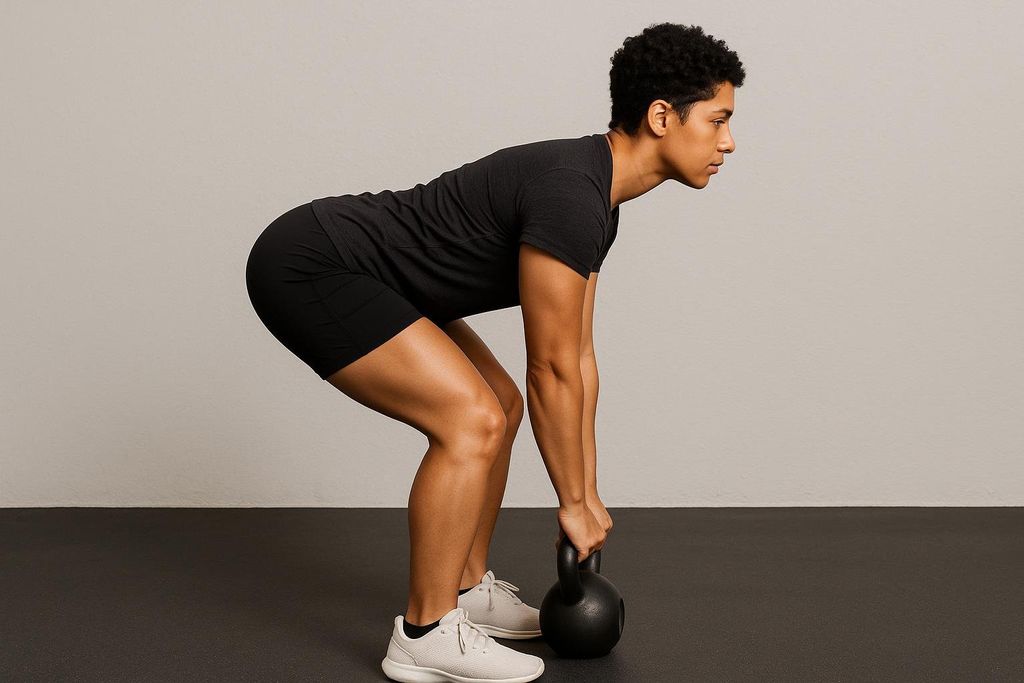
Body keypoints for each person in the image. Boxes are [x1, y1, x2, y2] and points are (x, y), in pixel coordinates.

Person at [245, 21, 744, 683]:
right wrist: (571, 502)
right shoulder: (572, 194)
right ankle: (424, 631)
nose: (728, 142)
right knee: (469, 418)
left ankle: (465, 586)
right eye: (717, 121)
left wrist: (588, 495)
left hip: (374, 276)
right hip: (313, 265)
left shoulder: (597, 199)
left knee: (498, 404)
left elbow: (579, 358)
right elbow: (553, 368)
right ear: (661, 116)